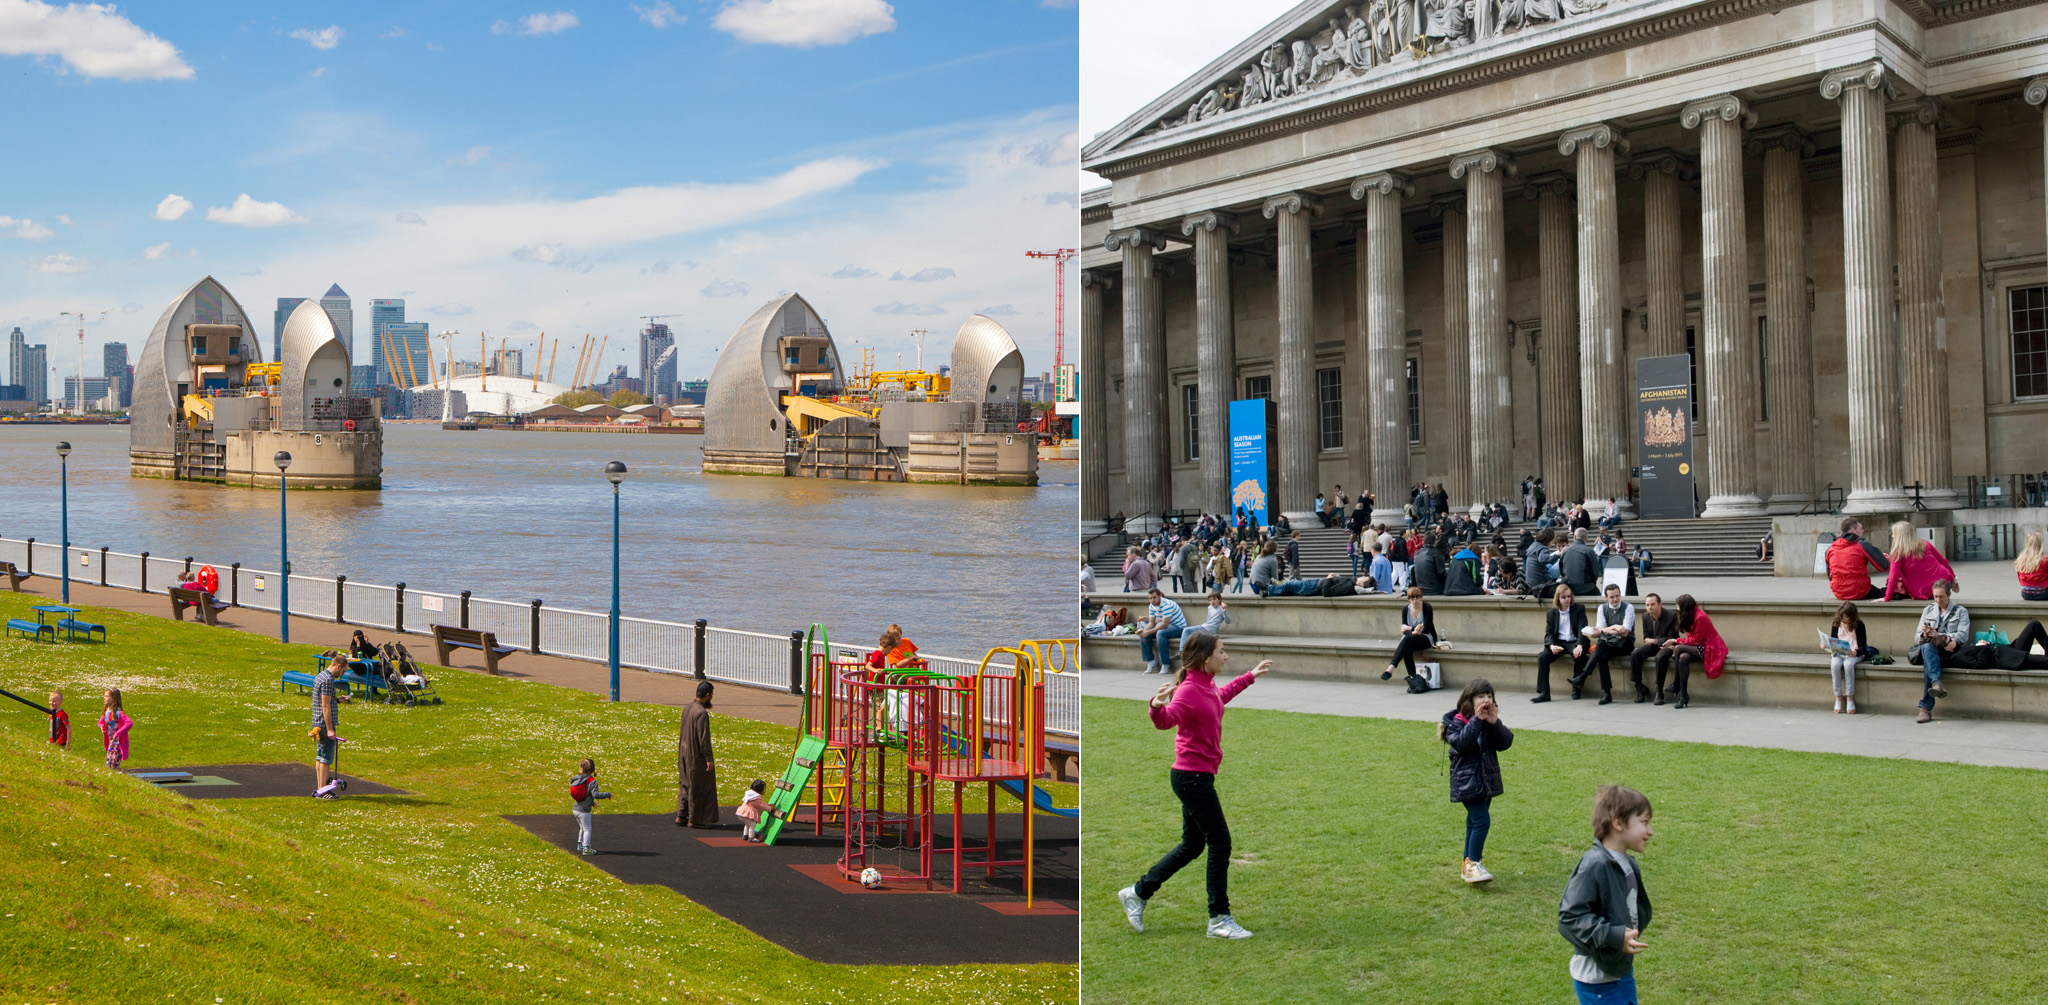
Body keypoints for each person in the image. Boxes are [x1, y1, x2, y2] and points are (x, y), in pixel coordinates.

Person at [1116, 632, 1272, 940]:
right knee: (1220, 842)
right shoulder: (1187, 690)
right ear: (1205, 657)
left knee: (1193, 844)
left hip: (1198, 776)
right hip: (1192, 778)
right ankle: (1219, 918)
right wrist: (1156, 705)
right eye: (1222, 651)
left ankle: (1138, 892)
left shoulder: (1206, 684)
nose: (1225, 656)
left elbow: (1219, 697)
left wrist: (1249, 677)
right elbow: (1166, 719)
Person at [1560, 785, 1655, 1005]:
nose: (1650, 831)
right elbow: (1570, 918)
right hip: (1598, 980)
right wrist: (1614, 937)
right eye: (1644, 822)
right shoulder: (1594, 865)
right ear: (1618, 823)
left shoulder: (1627, 863)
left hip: (1619, 970)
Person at [1441, 678, 1512, 885]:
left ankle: (1468, 865)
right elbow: (1462, 744)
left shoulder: (1489, 722)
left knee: (1474, 822)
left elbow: (1505, 743)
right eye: (1481, 696)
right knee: (1481, 820)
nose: (1486, 700)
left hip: (1486, 780)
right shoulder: (1455, 721)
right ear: (1470, 699)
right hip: (1467, 781)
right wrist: (1477, 721)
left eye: (1489, 696)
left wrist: (1494, 722)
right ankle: (1473, 864)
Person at [1911, 579, 1968, 724]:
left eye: (1941, 597)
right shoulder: (1928, 610)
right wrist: (1925, 634)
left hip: (1949, 651)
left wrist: (1941, 637)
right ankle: (1936, 684)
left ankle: (1925, 708)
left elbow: (1963, 636)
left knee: (1928, 660)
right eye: (1935, 596)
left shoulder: (1960, 612)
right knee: (1926, 648)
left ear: (1949, 595)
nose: (1938, 600)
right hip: (1930, 650)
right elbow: (1917, 638)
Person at [1659, 594, 1725, 709]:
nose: (1677, 608)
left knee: (1679, 648)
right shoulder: (1690, 614)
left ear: (1684, 607)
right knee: (1683, 657)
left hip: (1711, 648)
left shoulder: (1700, 617)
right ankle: (1683, 695)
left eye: (1678, 606)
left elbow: (1695, 641)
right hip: (1699, 647)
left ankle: (1676, 684)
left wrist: (1676, 641)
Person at [1578, 584, 1635, 705]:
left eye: (1617, 596)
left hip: (1625, 644)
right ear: (1606, 597)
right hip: (1608, 642)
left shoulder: (1628, 607)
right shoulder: (1602, 608)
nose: (1615, 599)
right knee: (1602, 654)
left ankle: (1583, 676)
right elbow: (1599, 631)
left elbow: (1624, 632)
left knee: (1601, 646)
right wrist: (1613, 628)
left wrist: (1604, 630)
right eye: (1612, 597)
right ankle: (1607, 693)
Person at [1376, 586, 1442, 692]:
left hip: (1426, 638)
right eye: (1412, 598)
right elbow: (1403, 629)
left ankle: (1391, 668)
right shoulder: (1405, 609)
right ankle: (1413, 678)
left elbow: (1427, 628)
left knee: (1406, 640)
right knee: (1407, 648)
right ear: (1408, 599)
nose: (1415, 600)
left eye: (1417, 597)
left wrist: (1410, 629)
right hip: (1411, 637)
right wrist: (1413, 631)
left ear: (1421, 598)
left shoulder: (1427, 607)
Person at [1533, 587, 1588, 703]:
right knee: (1542, 657)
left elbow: (1582, 629)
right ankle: (1544, 692)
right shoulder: (1551, 613)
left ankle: (1576, 687)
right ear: (1558, 598)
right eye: (1564, 597)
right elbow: (1548, 634)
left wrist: (1579, 645)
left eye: (1569, 596)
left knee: (1580, 654)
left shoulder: (1579, 609)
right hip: (1559, 642)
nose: (1567, 599)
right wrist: (1551, 645)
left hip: (1574, 641)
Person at [677, 681, 719, 827]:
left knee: (684, 784)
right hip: (695, 755)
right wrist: (709, 758)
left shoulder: (687, 708)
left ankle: (681, 814)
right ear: (708, 695)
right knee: (698, 786)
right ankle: (695, 819)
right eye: (712, 695)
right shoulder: (701, 713)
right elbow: (703, 738)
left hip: (683, 752)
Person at [1882, 521, 1957, 602]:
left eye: (1894, 534)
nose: (1892, 536)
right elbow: (1944, 562)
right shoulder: (1925, 544)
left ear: (1899, 536)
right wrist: (1954, 580)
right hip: (1945, 581)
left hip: (1924, 591)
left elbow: (1893, 577)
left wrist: (1886, 598)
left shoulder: (1898, 552)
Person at [1628, 594, 1678, 704]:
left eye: (1652, 604)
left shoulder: (1671, 616)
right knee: (1635, 654)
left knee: (1660, 658)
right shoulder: (1645, 616)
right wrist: (1650, 641)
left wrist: (1655, 641)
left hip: (1668, 645)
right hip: (1652, 646)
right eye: (1647, 605)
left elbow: (1672, 638)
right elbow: (1646, 637)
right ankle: (1639, 687)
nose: (1650, 607)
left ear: (1660, 604)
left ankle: (1659, 691)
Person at [1826, 517, 1890, 601]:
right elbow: (1883, 566)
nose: (1863, 531)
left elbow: (1829, 574)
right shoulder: (1862, 545)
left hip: (1838, 592)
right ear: (1853, 530)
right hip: (1859, 590)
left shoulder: (1830, 549)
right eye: (1861, 528)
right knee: (1889, 592)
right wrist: (1886, 557)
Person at [309, 659, 347, 797]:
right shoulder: (328, 680)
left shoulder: (321, 676)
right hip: (325, 723)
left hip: (317, 722)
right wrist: (330, 729)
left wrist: (337, 700)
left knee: (320, 756)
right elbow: (325, 706)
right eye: (342, 671)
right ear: (338, 666)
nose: (342, 674)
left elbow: (325, 701)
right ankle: (323, 790)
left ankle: (320, 788)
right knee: (325, 758)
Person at [1825, 602, 1869, 714]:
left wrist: (1856, 652)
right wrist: (1825, 644)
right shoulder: (1836, 624)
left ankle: (1849, 697)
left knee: (1848, 665)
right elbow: (1833, 641)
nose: (1844, 620)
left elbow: (1863, 646)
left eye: (1846, 617)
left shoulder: (1859, 625)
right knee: (1834, 664)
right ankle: (1838, 696)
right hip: (1840, 653)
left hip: (1854, 654)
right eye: (1842, 617)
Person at [1137, 587, 1189, 674]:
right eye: (1150, 598)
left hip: (1178, 627)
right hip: (1165, 626)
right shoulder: (1151, 606)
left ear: (1159, 596)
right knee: (1144, 635)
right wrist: (1143, 632)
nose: (1152, 600)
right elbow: (1151, 623)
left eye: (1154, 597)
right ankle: (1151, 661)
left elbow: (1164, 624)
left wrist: (1148, 632)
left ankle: (1165, 664)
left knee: (1160, 633)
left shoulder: (1166, 605)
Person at [569, 758, 613, 855]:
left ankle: (580, 844)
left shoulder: (577, 779)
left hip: (576, 808)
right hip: (584, 811)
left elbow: (584, 794)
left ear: (581, 768)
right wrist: (607, 794)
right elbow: (595, 794)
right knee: (588, 828)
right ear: (593, 770)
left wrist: (591, 802)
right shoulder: (592, 781)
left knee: (582, 827)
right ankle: (586, 848)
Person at [1559, 528, 1602, 598]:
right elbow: (1596, 571)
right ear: (1586, 539)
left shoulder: (1565, 551)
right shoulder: (1589, 551)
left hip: (1568, 587)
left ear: (1574, 537)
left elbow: (1561, 571)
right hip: (1586, 588)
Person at [99, 688, 132, 772]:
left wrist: (118, 733)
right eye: (104, 696)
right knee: (108, 765)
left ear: (114, 699)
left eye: (107, 696)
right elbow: (100, 722)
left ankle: (124, 776)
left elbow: (129, 723)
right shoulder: (106, 712)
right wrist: (101, 727)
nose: (104, 698)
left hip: (118, 743)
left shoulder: (118, 713)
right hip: (111, 743)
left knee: (114, 765)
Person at [2017, 532, 2048, 601]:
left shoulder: (2020, 560)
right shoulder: (2045, 560)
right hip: (2044, 593)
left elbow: (2020, 578)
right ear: (2041, 544)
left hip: (2026, 594)